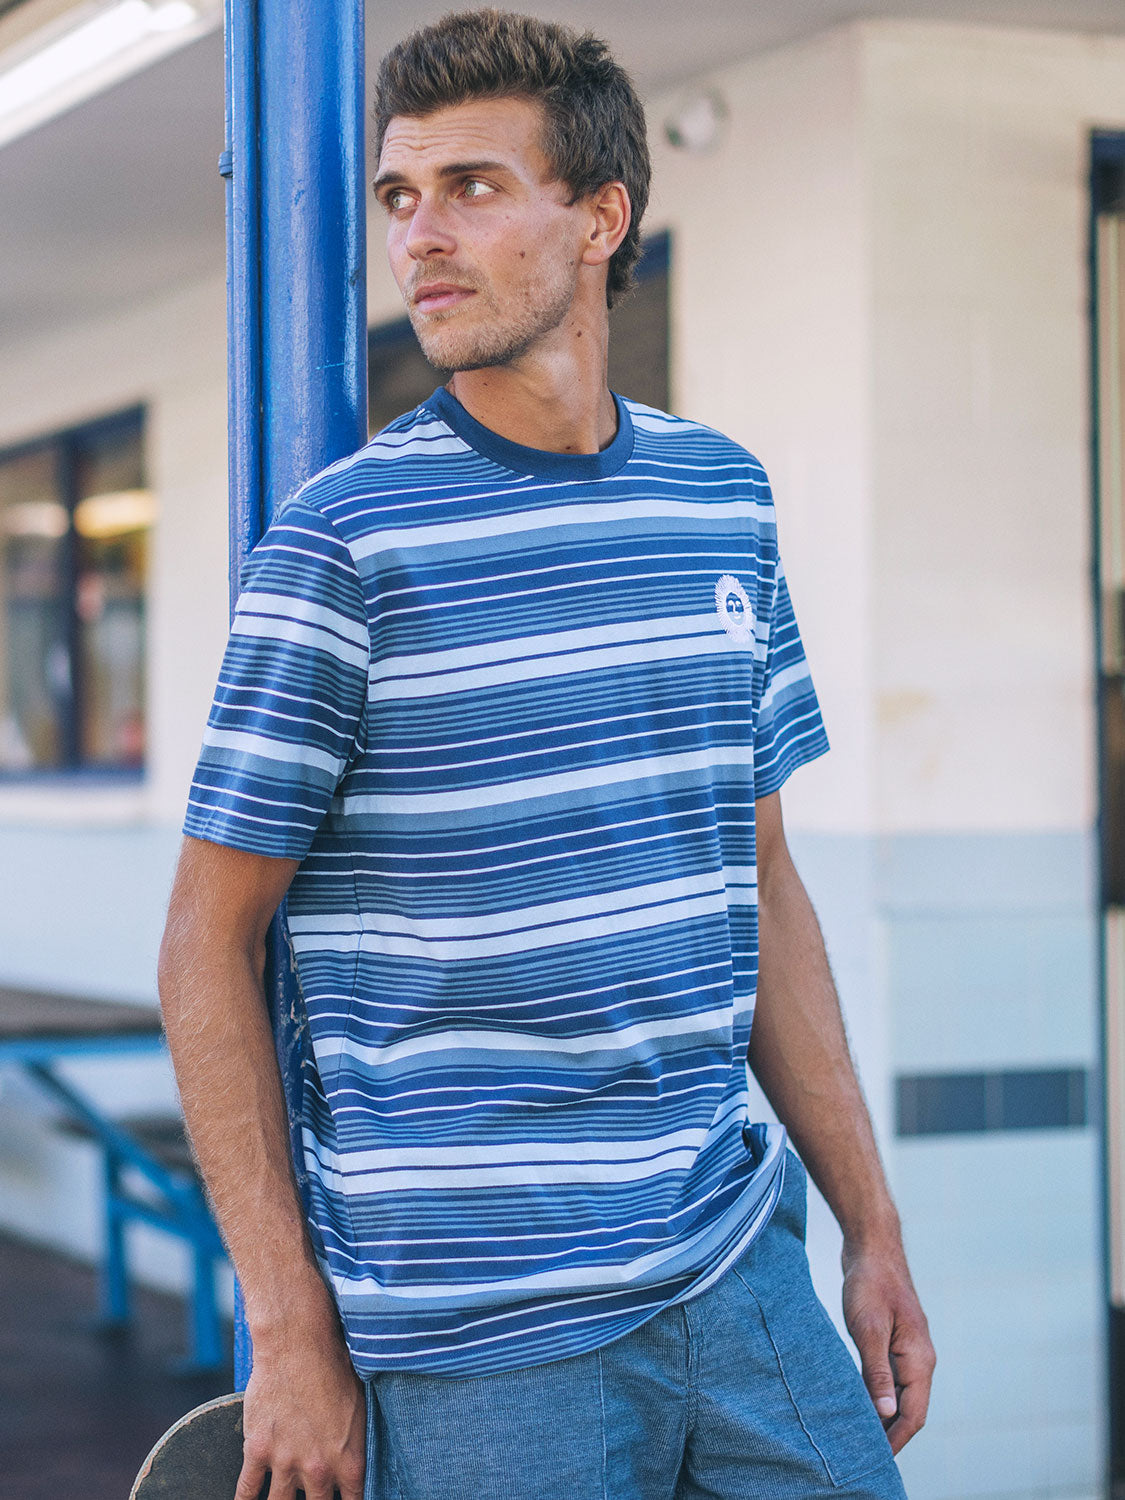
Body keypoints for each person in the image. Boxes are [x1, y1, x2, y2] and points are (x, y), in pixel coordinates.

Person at [158, 11, 935, 1500]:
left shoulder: (719, 500)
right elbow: (207, 938)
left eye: (471, 187)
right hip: (478, 1338)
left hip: (736, 1264)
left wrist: (871, 1223)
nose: (419, 236)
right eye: (399, 196)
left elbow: (760, 878)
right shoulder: (345, 544)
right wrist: (289, 1325)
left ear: (600, 219)